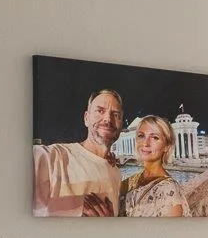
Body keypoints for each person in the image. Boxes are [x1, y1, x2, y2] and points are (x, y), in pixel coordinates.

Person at [33, 87, 123, 216]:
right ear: (86, 118)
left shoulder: (116, 173)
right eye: (100, 111)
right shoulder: (54, 157)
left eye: (116, 115)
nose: (108, 119)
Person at [121, 115, 189, 217]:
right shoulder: (135, 180)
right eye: (141, 136)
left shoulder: (168, 192)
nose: (145, 143)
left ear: (167, 146)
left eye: (154, 138)